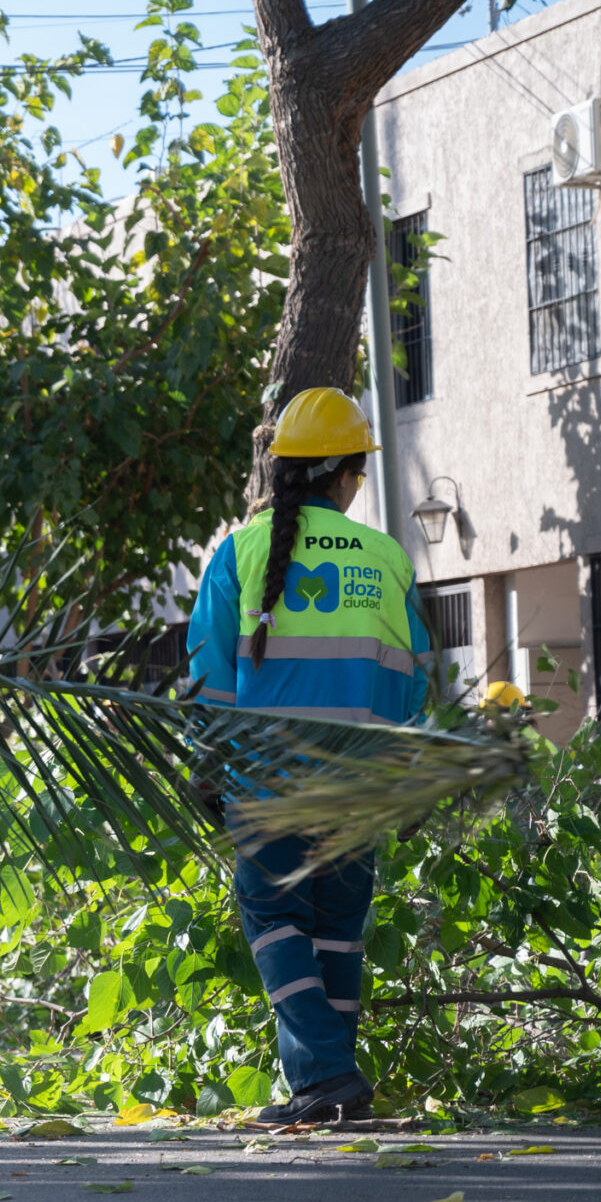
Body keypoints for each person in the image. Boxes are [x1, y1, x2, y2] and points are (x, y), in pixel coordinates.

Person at [186, 388, 429, 1128]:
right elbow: (414, 678)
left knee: (272, 916)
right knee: (336, 930)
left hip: (268, 780)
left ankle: (324, 1076)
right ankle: (333, 1086)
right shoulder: (386, 557)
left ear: (285, 470)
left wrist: (210, 767)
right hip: (359, 782)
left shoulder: (239, 552)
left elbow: (208, 673)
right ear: (349, 475)